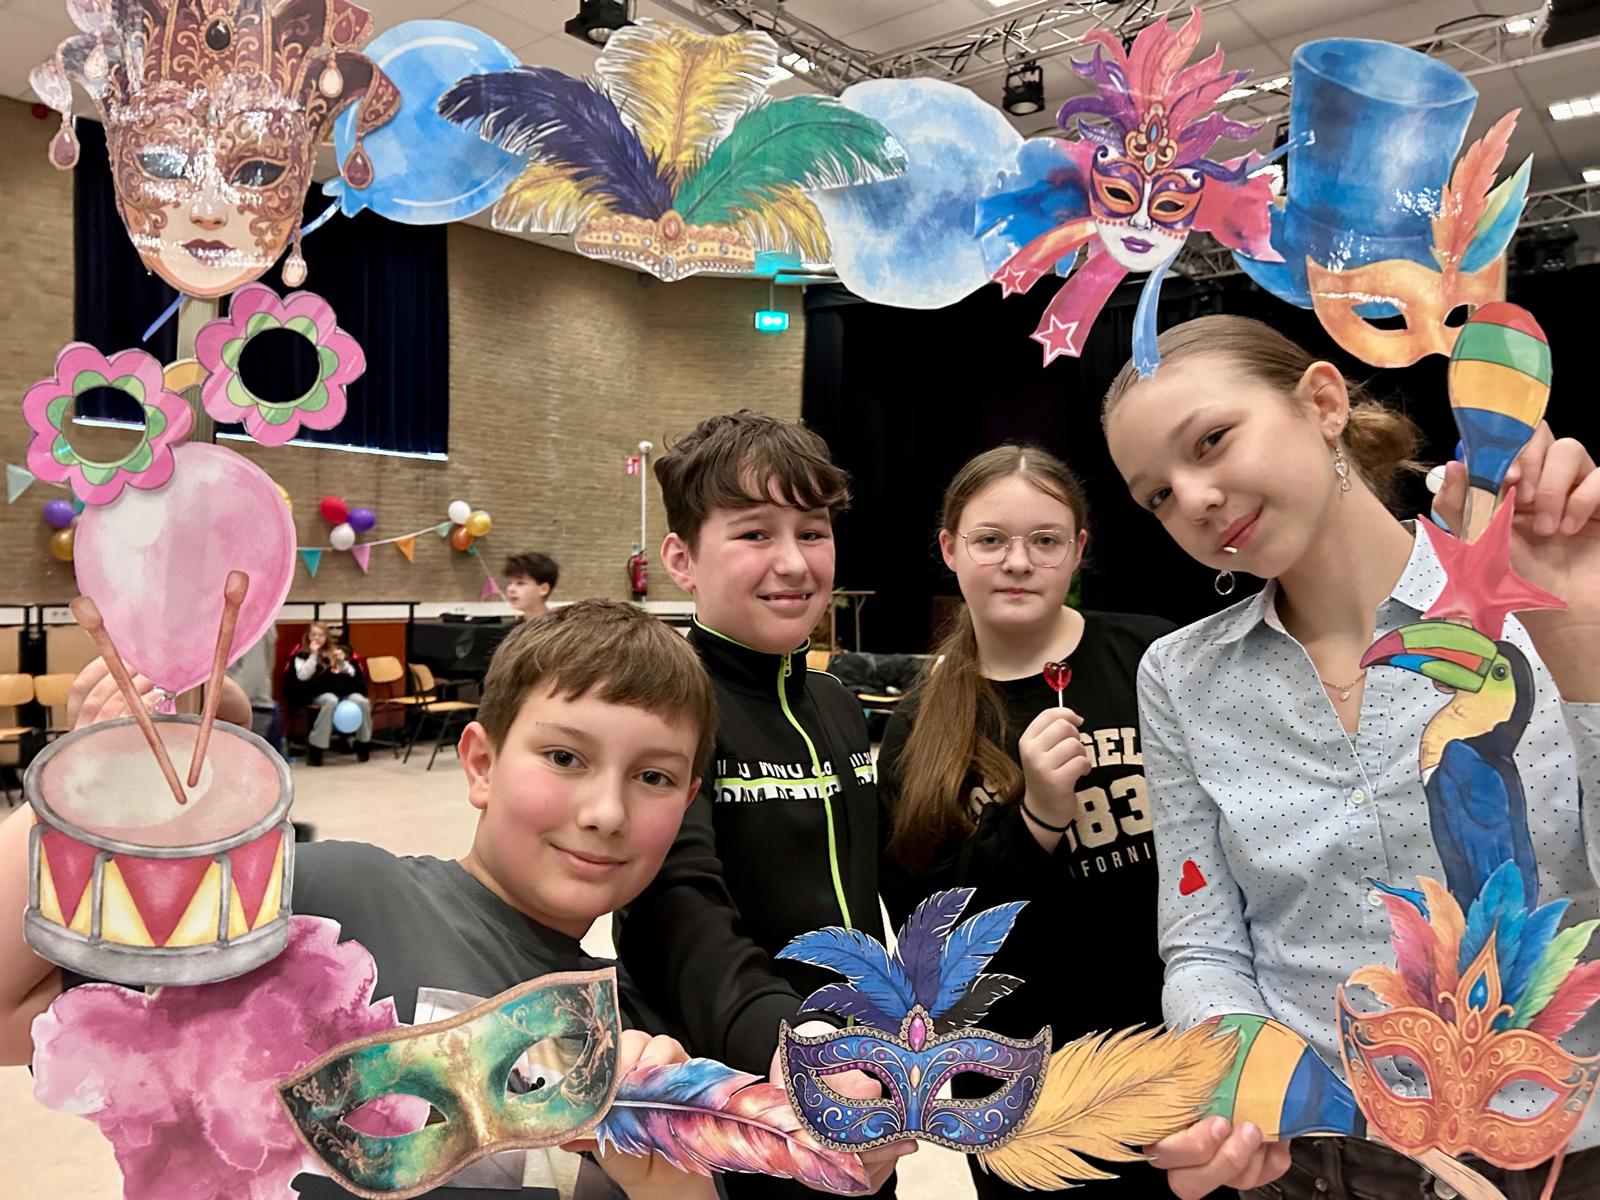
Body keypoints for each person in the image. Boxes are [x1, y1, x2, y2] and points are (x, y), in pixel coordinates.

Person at [1100, 315, 1600, 1199]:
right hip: (1313, 1163)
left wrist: (1583, 649)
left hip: (1563, 1148)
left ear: (1324, 403)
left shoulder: (1542, 596)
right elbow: (1203, 943)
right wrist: (1231, 1082)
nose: (1195, 499)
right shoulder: (1182, 677)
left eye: (1211, 441)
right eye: (1158, 497)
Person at [0, 600, 728, 1200]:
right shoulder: (336, 899)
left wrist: (676, 1188)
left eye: (653, 778)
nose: (606, 812)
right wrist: (94, 785)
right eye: (564, 758)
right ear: (480, 763)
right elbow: (12, 1016)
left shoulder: (653, 1042)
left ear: (688, 802)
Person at [617, 411, 913, 1198]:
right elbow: (673, 904)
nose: (793, 561)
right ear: (681, 559)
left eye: (812, 532)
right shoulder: (664, 709)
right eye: (754, 534)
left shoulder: (836, 702)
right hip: (732, 1099)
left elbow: (893, 880)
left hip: (859, 1088)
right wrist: (790, 1040)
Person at [876, 444, 1175, 1199]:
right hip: (1020, 1078)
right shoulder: (920, 725)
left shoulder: (1152, 656)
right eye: (990, 540)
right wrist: (1035, 817)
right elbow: (930, 941)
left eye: (1045, 540)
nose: (1018, 562)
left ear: (1078, 549)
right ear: (950, 550)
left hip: (1173, 1046)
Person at [286, 621, 372, 765]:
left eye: (321, 635)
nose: (317, 638)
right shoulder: (302, 654)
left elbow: (351, 673)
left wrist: (342, 662)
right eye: (314, 635)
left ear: (326, 637)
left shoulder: (335, 651)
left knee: (362, 701)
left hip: (342, 689)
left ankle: (363, 743)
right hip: (317, 692)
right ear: (308, 636)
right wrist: (313, 655)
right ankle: (317, 746)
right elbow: (303, 676)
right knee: (330, 700)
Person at [506, 552, 561, 620]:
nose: (511, 589)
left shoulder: (564, 625)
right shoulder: (510, 626)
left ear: (544, 589)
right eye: (509, 583)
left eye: (520, 583)